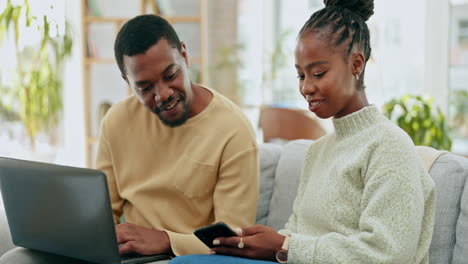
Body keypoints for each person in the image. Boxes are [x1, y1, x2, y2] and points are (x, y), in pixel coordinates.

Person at [169, 0, 436, 263]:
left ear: (356, 64)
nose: (306, 87)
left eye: (318, 73)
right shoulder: (318, 150)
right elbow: (298, 232)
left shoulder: (389, 146)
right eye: (300, 75)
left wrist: (285, 245)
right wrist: (266, 242)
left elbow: (388, 253)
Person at [0, 14, 259, 264]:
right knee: (17, 259)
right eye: (145, 88)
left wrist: (167, 240)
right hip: (127, 256)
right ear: (127, 81)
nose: (163, 94)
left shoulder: (233, 130)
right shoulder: (117, 121)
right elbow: (101, 214)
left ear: (184, 55)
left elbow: (234, 239)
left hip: (183, 258)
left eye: (171, 75)